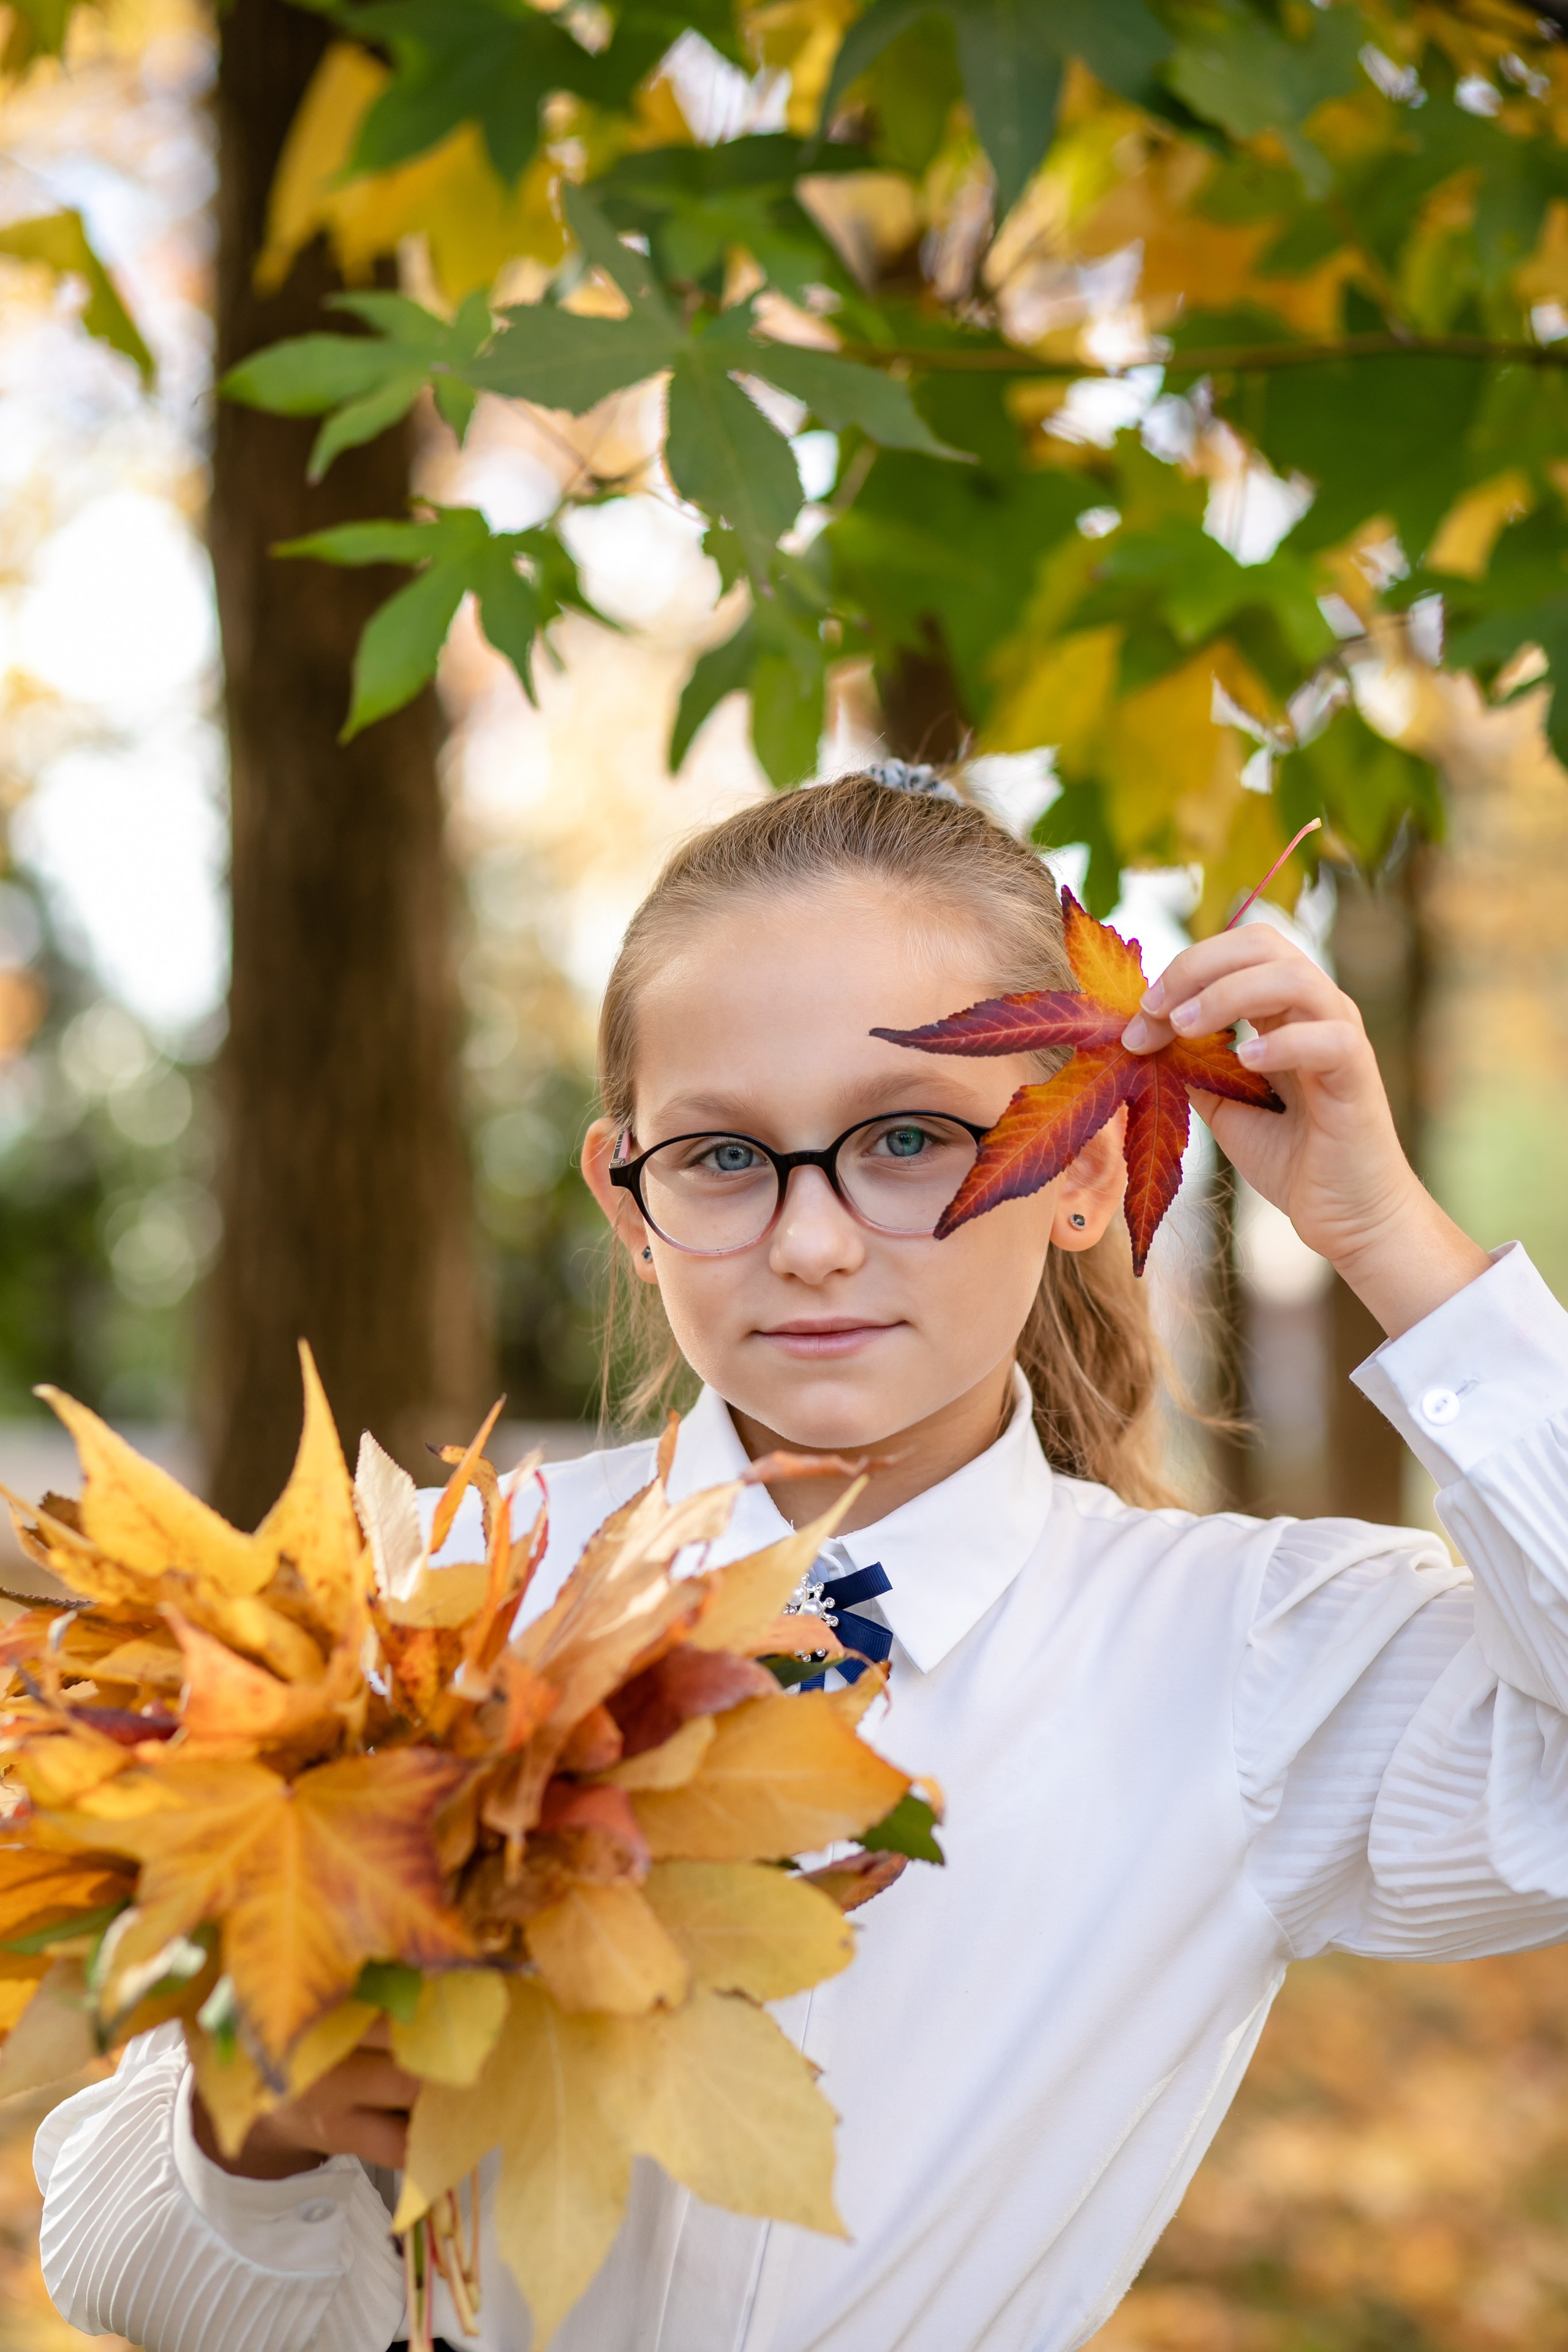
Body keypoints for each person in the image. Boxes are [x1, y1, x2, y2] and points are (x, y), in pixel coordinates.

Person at [33, 770, 1568, 2352]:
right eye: (719, 1159)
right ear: (627, 1203)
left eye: (908, 1140)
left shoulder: (1249, 1663)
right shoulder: (444, 1590)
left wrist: (1394, 1243)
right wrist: (254, 2136)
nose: (814, 1241)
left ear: (1085, 1172)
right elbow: (124, 2262)